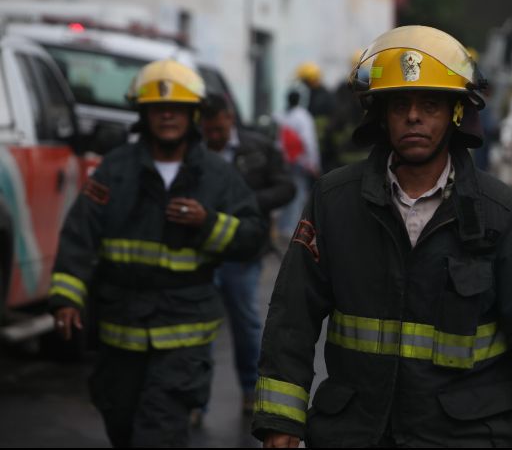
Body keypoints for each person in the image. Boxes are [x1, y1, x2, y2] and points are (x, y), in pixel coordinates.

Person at [251, 25, 512, 448]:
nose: (414, 116)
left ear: (454, 113)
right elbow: (293, 315)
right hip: (357, 432)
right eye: (400, 105)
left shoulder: (500, 213)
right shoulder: (335, 202)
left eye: (430, 103)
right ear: (381, 115)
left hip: (466, 437)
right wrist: (280, 421)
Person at [48, 59, 266, 447]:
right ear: (143, 114)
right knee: (121, 424)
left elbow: (252, 236)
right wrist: (66, 296)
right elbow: (80, 233)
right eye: (157, 108)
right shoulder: (114, 171)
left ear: (193, 114)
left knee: (159, 432)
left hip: (183, 336)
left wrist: (208, 224)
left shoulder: (218, 176)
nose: (167, 115)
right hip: (120, 332)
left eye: (177, 108)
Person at [199, 93, 296, 416]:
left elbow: (286, 187)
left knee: (246, 324)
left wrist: (247, 203)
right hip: (201, 254)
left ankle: (250, 392)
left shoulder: (259, 148)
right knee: (199, 326)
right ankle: (194, 400)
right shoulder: (193, 152)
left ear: (230, 118)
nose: (213, 137)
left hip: (243, 253)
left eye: (218, 129)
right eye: (207, 130)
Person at [275, 90, 320, 240]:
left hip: (285, 160)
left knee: (286, 192)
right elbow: (309, 140)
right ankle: (293, 227)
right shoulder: (303, 116)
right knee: (298, 193)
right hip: (300, 162)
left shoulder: (281, 115)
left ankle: (283, 226)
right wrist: (313, 162)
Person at [295, 61, 336, 173]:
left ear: (310, 80)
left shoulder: (321, 98)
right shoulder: (319, 95)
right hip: (321, 147)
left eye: (304, 81)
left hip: (323, 148)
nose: (303, 84)